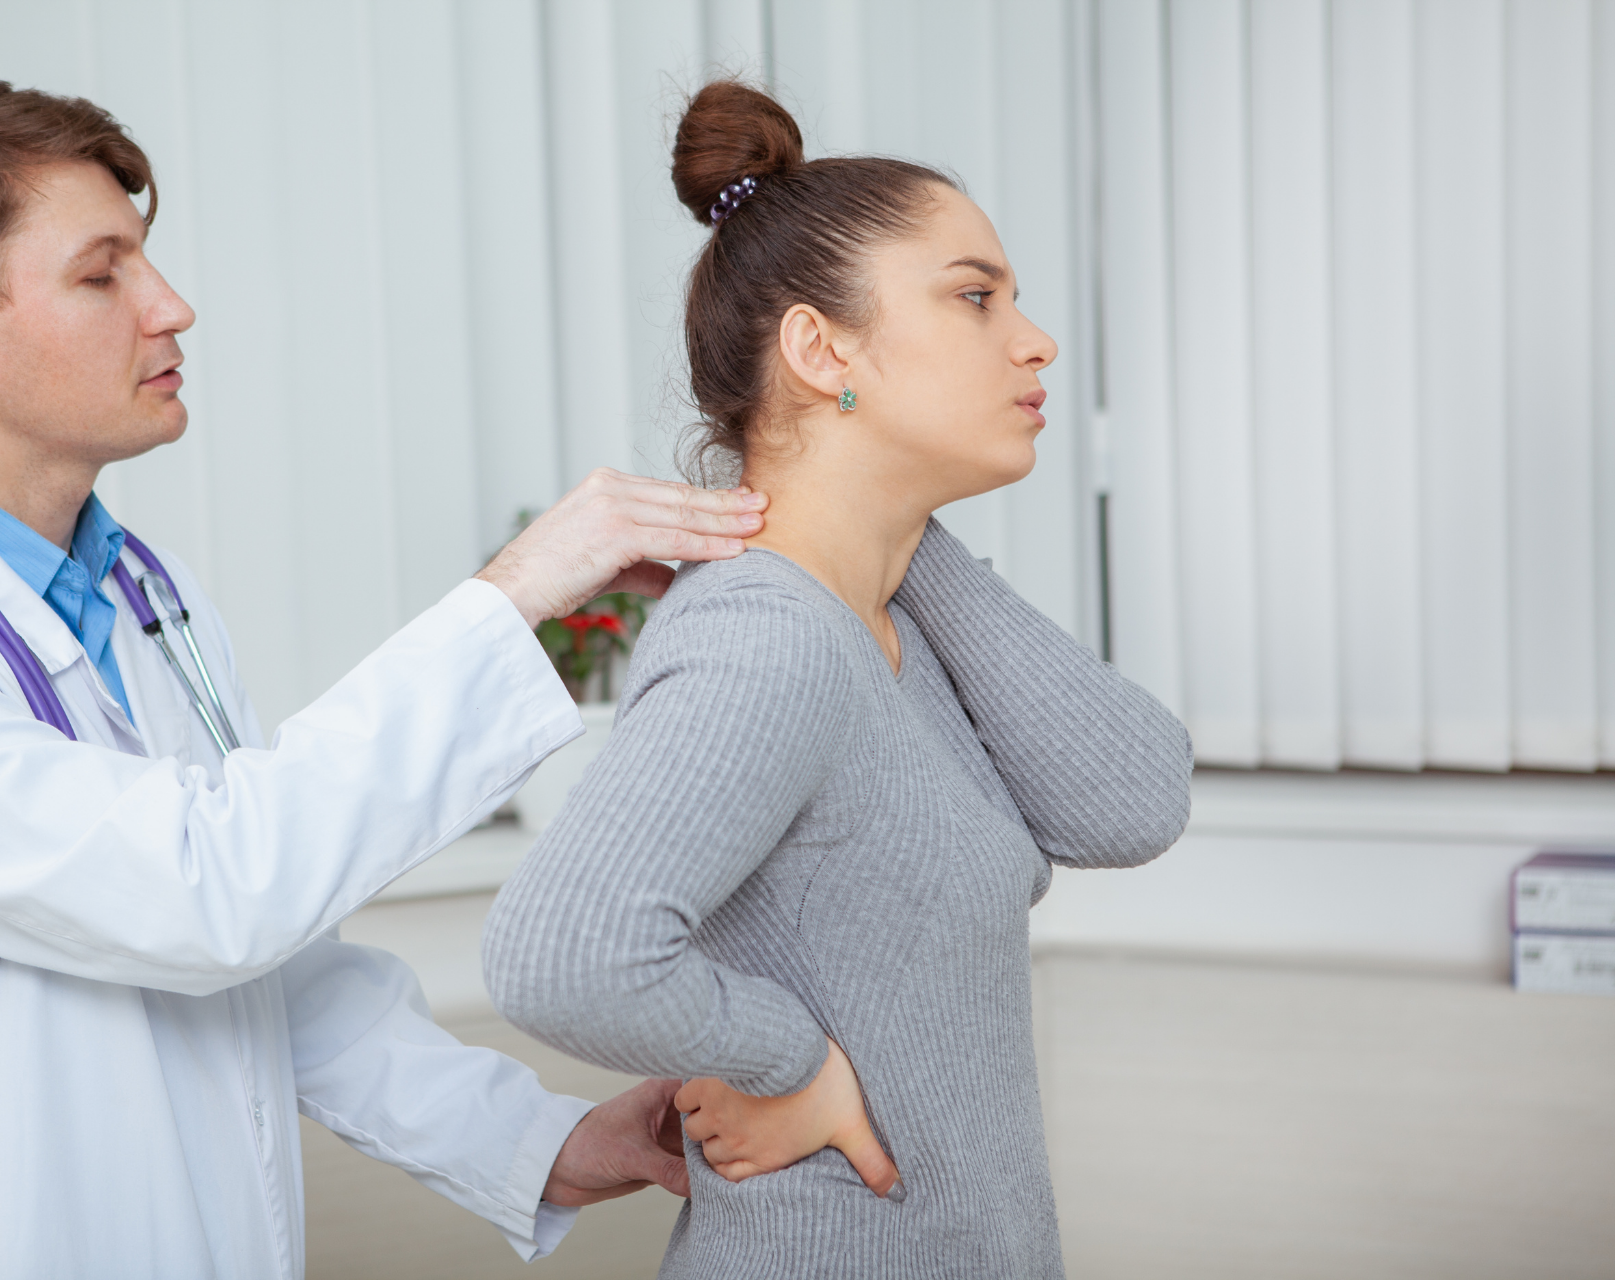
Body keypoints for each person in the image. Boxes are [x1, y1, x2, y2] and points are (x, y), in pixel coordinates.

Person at [0, 71, 770, 1280]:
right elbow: (210, 893)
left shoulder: (145, 597)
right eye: (102, 272)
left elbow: (269, 967)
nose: (171, 307)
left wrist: (541, 1141)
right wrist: (518, 591)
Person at [482, 81, 1195, 1278]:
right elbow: (561, 949)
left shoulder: (879, 610)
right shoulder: (768, 634)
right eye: (976, 297)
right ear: (821, 348)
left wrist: (897, 529)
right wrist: (789, 1060)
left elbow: (1136, 801)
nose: (1035, 339)